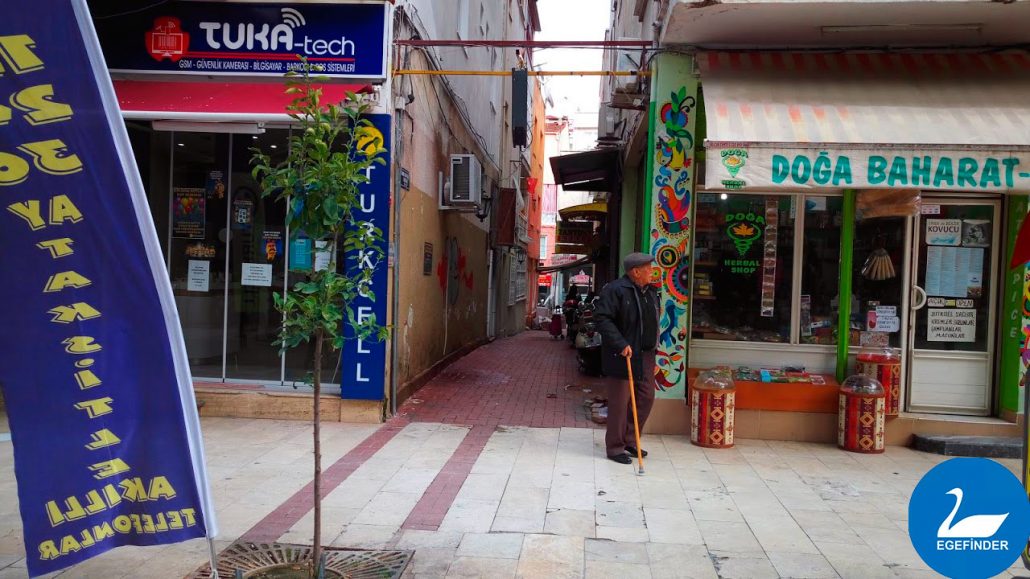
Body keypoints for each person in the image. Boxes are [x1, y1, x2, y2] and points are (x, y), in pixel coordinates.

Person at [593, 252, 660, 464]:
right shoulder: (615, 290)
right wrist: (620, 343)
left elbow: (654, 324)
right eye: (648, 268)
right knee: (620, 403)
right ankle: (615, 447)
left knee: (645, 398)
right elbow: (602, 319)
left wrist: (656, 352)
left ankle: (631, 439)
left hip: (646, 354)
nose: (652, 272)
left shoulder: (651, 292)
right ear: (636, 272)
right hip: (623, 354)